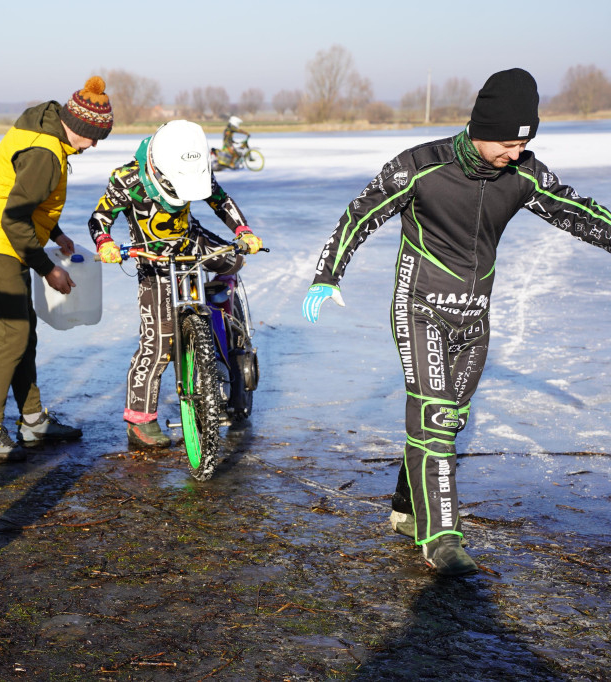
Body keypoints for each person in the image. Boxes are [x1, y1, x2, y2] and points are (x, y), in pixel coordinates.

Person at [301, 68, 611, 576]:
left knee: (446, 418)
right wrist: (326, 275)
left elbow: (577, 211)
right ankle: (442, 540)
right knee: (436, 420)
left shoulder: (524, 174)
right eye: (510, 142)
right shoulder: (420, 166)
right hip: (419, 307)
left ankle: (406, 510)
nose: (516, 152)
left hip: (474, 319)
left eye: (525, 142)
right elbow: (360, 213)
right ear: (483, 127)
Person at [0, 77, 113, 460]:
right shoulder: (46, 152)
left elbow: (26, 198)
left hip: (2, 236)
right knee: (13, 334)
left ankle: (31, 419)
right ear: (78, 127)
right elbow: (14, 217)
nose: (94, 145)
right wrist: (48, 269)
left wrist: (55, 232)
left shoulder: (47, 129)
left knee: (23, 333)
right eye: (94, 137)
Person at [88, 120, 263, 448]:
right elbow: (99, 218)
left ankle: (224, 317)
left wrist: (243, 231)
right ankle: (140, 421)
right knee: (159, 342)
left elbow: (220, 200)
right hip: (152, 258)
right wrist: (105, 243)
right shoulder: (126, 179)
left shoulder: (195, 167)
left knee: (235, 257)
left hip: (190, 243)